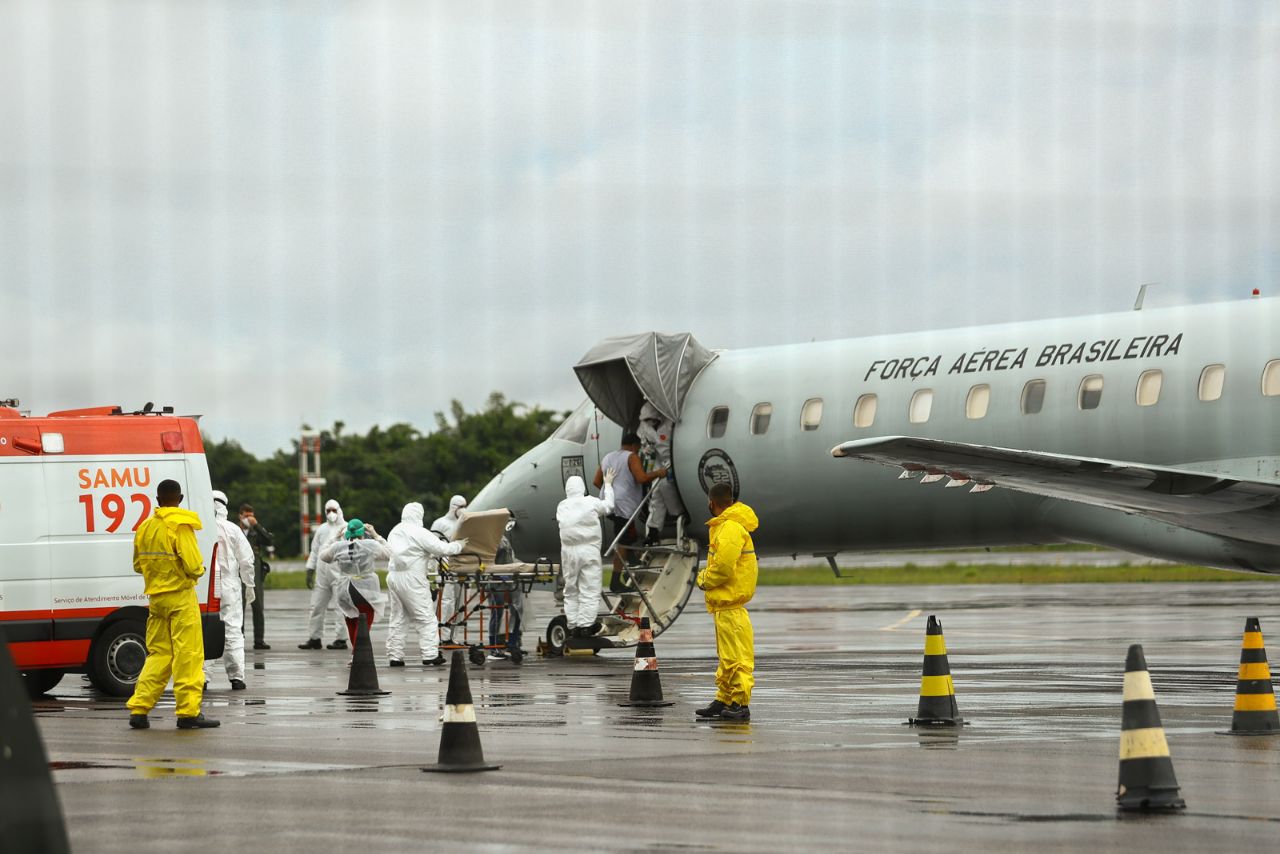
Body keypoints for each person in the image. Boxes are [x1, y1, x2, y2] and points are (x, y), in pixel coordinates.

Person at [126, 479, 219, 729]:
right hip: (180, 598)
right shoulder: (180, 526)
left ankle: (139, 709)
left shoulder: (145, 527)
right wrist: (198, 570)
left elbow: (138, 565)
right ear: (179, 499)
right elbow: (193, 564)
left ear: (158, 500)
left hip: (156, 600)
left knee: (158, 655)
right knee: (187, 655)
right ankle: (188, 713)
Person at [694, 482, 759, 722]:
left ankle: (740, 704)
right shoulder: (726, 526)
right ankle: (724, 699)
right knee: (727, 658)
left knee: (738, 659)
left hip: (730, 605)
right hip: (724, 607)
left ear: (712, 503)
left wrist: (703, 579)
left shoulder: (730, 528)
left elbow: (722, 569)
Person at [386, 502, 467, 667]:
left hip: (393, 576)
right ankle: (430, 655)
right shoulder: (420, 532)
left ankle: (395, 656)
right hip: (412, 578)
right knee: (426, 618)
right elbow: (441, 549)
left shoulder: (395, 530)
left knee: (398, 618)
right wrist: (459, 545)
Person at [593, 433, 666, 591]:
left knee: (630, 535)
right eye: (638, 448)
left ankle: (630, 567)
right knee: (624, 542)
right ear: (634, 445)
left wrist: (611, 492)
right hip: (624, 506)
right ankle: (615, 581)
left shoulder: (607, 457)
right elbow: (641, 478)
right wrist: (658, 473)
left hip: (608, 504)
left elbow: (596, 481)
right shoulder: (632, 457)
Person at [204, 490, 255, 690]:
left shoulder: (200, 527)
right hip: (230, 586)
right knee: (233, 629)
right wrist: (249, 584)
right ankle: (236, 677)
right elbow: (247, 561)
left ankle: (202, 678)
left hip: (207, 586)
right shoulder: (233, 529)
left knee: (206, 630)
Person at [556, 472, 616, 638]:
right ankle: (586, 626)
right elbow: (609, 506)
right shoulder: (590, 502)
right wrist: (608, 484)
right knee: (589, 588)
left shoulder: (562, 505)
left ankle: (573, 625)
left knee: (571, 589)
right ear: (582, 487)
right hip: (588, 549)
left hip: (568, 551)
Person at [318, 519, 390, 648]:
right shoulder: (371, 544)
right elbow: (390, 553)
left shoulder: (338, 546)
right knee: (364, 622)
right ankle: (357, 654)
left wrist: (334, 538)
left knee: (351, 621)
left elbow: (323, 556)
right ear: (362, 533)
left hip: (344, 589)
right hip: (365, 589)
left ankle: (354, 652)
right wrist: (376, 535)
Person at [298, 499, 351, 651]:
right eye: (328, 511)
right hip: (322, 576)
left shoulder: (346, 528)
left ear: (339, 510)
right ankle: (315, 638)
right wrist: (310, 569)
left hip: (340, 574)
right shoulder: (322, 529)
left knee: (341, 607)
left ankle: (341, 639)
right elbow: (314, 551)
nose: (331, 514)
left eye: (333, 510)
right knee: (316, 606)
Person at [637, 401, 686, 545]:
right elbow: (643, 442)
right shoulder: (644, 426)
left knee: (664, 485)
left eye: (651, 419)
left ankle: (678, 514)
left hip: (674, 457)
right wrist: (647, 448)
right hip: (658, 461)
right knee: (656, 490)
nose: (650, 423)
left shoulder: (670, 423)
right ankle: (653, 530)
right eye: (646, 420)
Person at [432, 495, 468, 642]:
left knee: (461, 602)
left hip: (462, 565)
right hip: (444, 565)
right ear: (453, 506)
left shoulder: (466, 523)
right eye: (460, 506)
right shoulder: (440, 523)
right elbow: (431, 545)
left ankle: (454, 636)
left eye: (465, 506)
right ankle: (442, 635)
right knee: (446, 601)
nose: (463, 510)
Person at [238, 503, 274, 650]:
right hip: (238, 573)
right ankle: (238, 639)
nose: (249, 519)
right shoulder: (235, 530)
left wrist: (257, 525)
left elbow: (270, 540)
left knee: (258, 607)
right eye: (246, 516)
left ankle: (259, 640)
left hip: (255, 574)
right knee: (238, 607)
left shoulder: (256, 532)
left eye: (251, 516)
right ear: (240, 516)